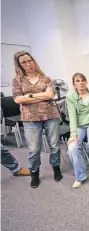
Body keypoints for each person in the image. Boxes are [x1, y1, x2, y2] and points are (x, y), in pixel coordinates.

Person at [12, 51, 63, 188]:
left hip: (50, 116)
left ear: (33, 60)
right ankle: (34, 173)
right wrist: (41, 95)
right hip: (30, 119)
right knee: (34, 149)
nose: (28, 64)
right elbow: (17, 99)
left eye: (29, 60)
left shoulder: (45, 78)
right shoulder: (18, 80)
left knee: (54, 145)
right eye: (24, 62)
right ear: (19, 65)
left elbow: (51, 94)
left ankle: (56, 168)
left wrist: (28, 96)